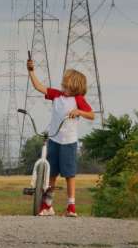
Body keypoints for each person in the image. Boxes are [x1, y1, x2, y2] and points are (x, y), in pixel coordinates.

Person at [27, 57, 95, 217]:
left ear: (75, 86)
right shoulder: (57, 95)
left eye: (66, 84)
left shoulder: (77, 99)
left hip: (69, 142)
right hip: (54, 139)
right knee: (52, 174)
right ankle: (47, 205)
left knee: (69, 174)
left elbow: (91, 115)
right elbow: (39, 87)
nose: (63, 86)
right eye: (63, 83)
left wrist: (79, 111)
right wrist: (31, 71)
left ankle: (71, 207)